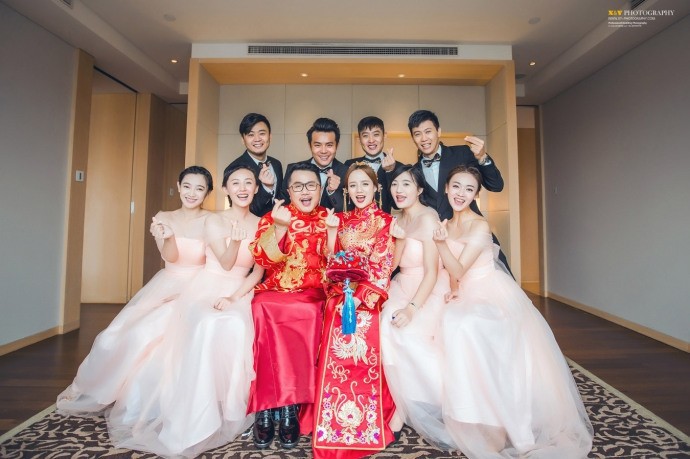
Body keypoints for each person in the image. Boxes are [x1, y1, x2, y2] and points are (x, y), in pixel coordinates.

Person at [432, 165, 593, 458]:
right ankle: (472, 411)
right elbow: (453, 274)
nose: (461, 193)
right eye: (456, 186)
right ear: (446, 188)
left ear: (476, 195)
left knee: (466, 324)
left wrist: (440, 244)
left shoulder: (479, 226)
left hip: (489, 292)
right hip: (465, 290)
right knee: (448, 319)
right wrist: (454, 289)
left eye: (469, 189)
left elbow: (458, 267)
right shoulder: (448, 223)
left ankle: (500, 416)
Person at [104, 165, 263, 458]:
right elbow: (225, 263)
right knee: (204, 325)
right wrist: (236, 241)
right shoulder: (213, 220)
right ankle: (196, 409)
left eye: (248, 183)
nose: (242, 188)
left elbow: (258, 271)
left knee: (237, 325)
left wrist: (234, 296)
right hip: (207, 286)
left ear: (256, 188)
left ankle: (229, 407)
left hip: (239, 291)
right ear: (225, 189)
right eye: (235, 182)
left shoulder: (262, 224)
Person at [56, 166, 213, 415]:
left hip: (199, 284)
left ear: (207, 193)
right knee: (118, 335)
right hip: (167, 282)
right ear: (178, 186)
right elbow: (170, 257)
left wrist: (190, 294)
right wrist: (168, 237)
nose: (191, 193)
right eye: (187, 186)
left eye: (199, 188)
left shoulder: (212, 221)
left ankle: (157, 398)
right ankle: (102, 386)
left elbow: (213, 264)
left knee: (158, 333)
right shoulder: (163, 217)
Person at [312, 163, 397, 458]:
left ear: (376, 188)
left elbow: (382, 266)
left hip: (368, 296)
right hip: (339, 293)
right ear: (346, 191)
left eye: (365, 184)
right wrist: (331, 232)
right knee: (333, 319)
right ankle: (330, 421)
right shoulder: (340, 219)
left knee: (361, 331)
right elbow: (329, 260)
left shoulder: (385, 222)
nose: (359, 190)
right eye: (354, 185)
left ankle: (365, 420)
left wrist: (360, 299)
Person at [247, 162, 330, 450]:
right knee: (261, 307)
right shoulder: (273, 216)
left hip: (313, 294)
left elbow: (338, 261)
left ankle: (289, 406)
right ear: (289, 191)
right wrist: (280, 228)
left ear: (320, 189)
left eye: (311, 185)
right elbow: (263, 259)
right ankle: (266, 407)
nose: (305, 191)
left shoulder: (330, 218)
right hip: (276, 290)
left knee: (307, 313)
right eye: (298, 186)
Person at [378, 165, 456, 449]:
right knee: (384, 324)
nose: (398, 190)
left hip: (428, 289)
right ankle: (399, 399)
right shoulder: (397, 218)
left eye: (406, 184)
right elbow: (392, 266)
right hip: (402, 284)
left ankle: (405, 409)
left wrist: (412, 309)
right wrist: (398, 240)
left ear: (420, 189)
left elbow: (432, 273)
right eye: (395, 184)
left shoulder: (428, 218)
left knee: (408, 333)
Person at [408, 109, 512, 274]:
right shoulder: (414, 172)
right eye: (417, 134)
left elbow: (496, 185)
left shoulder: (462, 153)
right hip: (442, 244)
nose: (424, 138)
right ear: (413, 138)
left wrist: (482, 157)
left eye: (428, 131)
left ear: (438, 131)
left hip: (470, 236)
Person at [281, 117, 348, 212]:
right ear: (310, 146)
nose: (323, 151)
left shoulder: (346, 172)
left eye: (329, 145)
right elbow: (283, 203)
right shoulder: (293, 170)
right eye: (317, 145)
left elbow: (348, 211)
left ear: (337, 145)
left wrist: (332, 192)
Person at [224, 113, 283, 216]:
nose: (257, 139)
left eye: (262, 133)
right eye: (251, 135)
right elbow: (239, 210)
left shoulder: (276, 164)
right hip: (251, 225)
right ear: (243, 140)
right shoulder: (234, 169)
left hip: (278, 224)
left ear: (270, 136)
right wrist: (266, 187)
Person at [344, 116, 401, 213]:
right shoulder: (349, 165)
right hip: (355, 221)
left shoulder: (399, 167)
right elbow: (345, 202)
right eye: (365, 136)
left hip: (385, 221)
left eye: (376, 134)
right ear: (359, 139)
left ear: (384, 136)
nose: (371, 140)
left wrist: (389, 172)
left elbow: (396, 206)